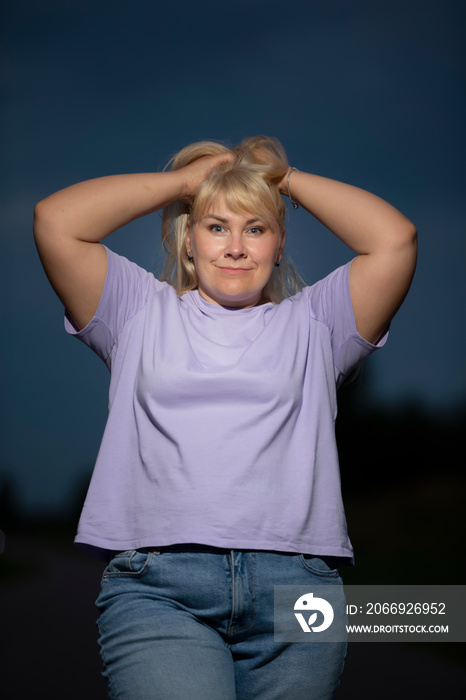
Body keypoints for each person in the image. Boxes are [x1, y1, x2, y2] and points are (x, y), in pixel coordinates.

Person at [33, 136, 417, 699]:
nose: (236, 246)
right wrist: (189, 183)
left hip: (298, 591)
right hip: (159, 590)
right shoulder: (137, 311)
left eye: (255, 228)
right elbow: (56, 220)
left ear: (279, 243)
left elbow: (395, 239)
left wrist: (277, 178)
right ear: (188, 240)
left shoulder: (317, 323)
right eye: (216, 227)